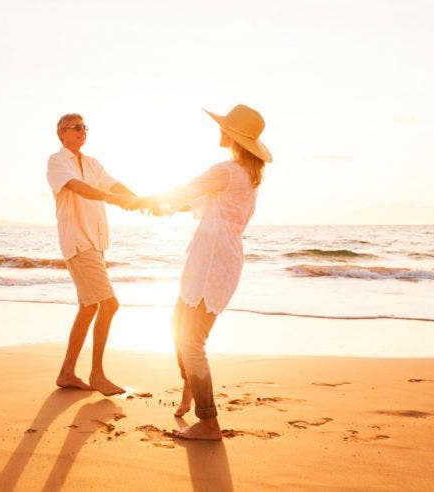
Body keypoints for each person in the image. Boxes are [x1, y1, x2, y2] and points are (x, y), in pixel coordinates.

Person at [133, 104, 273, 439]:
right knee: (177, 326)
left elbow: (187, 190)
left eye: (224, 126)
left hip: (213, 263)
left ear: (234, 136)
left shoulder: (227, 171)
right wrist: (165, 208)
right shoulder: (244, 174)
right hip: (210, 259)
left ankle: (209, 422)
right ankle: (190, 388)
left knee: (192, 343)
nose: (219, 130)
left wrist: (145, 201)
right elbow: (198, 202)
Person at [46, 113, 137, 396]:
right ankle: (97, 374)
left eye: (84, 127)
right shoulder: (57, 161)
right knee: (109, 305)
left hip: (95, 245)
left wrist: (136, 198)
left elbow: (113, 184)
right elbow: (78, 188)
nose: (82, 131)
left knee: (88, 308)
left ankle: (66, 373)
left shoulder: (93, 163)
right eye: (75, 127)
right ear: (61, 132)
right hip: (78, 243)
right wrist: (112, 198)